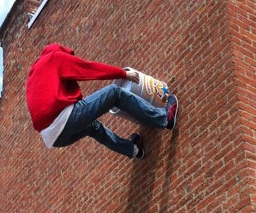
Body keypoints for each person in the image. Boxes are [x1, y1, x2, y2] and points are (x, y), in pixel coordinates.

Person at [25, 44, 179, 159]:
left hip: (54, 138)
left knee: (93, 128)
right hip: (65, 119)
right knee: (114, 93)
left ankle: (132, 149)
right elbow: (88, 69)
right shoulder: (54, 58)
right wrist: (122, 73)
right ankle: (164, 118)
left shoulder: (34, 74)